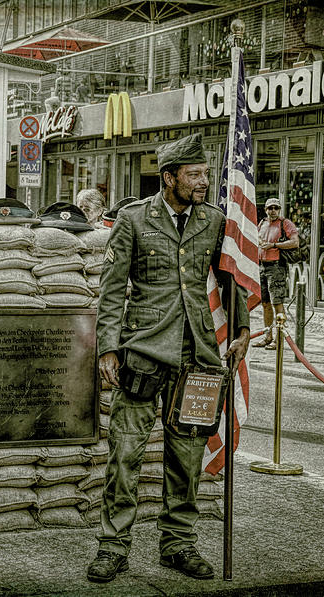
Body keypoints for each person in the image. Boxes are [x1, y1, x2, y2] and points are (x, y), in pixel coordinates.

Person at [89, 132, 250, 583]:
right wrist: (108, 347)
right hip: (142, 350)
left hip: (197, 351)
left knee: (187, 455)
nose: (203, 182)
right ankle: (113, 545)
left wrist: (241, 329)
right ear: (169, 177)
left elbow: (230, 276)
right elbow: (112, 289)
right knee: (126, 453)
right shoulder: (134, 219)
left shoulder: (215, 221)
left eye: (206, 173)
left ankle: (178, 542)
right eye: (194, 175)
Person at [252, 197, 298, 349]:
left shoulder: (285, 223)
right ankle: (267, 336)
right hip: (262, 266)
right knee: (265, 303)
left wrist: (274, 245)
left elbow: (294, 242)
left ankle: (279, 339)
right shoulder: (262, 223)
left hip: (276, 267)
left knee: (277, 303)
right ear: (265, 210)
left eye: (275, 208)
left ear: (279, 210)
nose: (273, 211)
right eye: (270, 208)